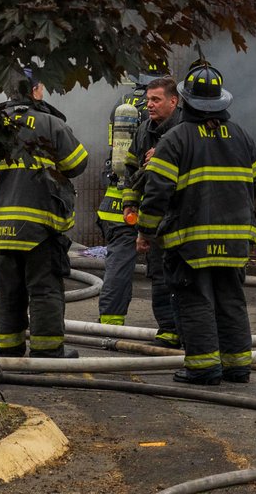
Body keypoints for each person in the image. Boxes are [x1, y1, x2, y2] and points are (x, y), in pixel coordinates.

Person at [138, 61, 256, 386]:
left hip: (190, 241)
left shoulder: (176, 138)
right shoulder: (243, 136)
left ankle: (203, 367)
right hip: (237, 239)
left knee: (194, 299)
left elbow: (156, 193)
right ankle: (237, 367)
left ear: (186, 100)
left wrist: (146, 231)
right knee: (231, 299)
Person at [0, 69, 88, 358]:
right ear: (36, 90)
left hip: (0, 225)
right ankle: (48, 349)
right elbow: (78, 164)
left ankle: (8, 347)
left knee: (8, 291)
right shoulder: (50, 123)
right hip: (40, 227)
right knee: (44, 289)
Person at [126, 75, 182, 345]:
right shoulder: (144, 129)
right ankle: (169, 330)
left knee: (183, 276)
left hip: (182, 215)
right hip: (156, 214)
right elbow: (130, 170)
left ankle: (188, 330)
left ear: (174, 101)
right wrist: (129, 204)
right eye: (148, 99)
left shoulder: (185, 128)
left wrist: (163, 155)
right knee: (159, 274)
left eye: (156, 99)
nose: (149, 105)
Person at [96, 78, 148, 327]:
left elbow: (113, 150)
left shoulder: (121, 104)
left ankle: (110, 320)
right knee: (164, 266)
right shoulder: (157, 107)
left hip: (113, 200)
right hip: (143, 200)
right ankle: (172, 329)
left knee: (118, 264)